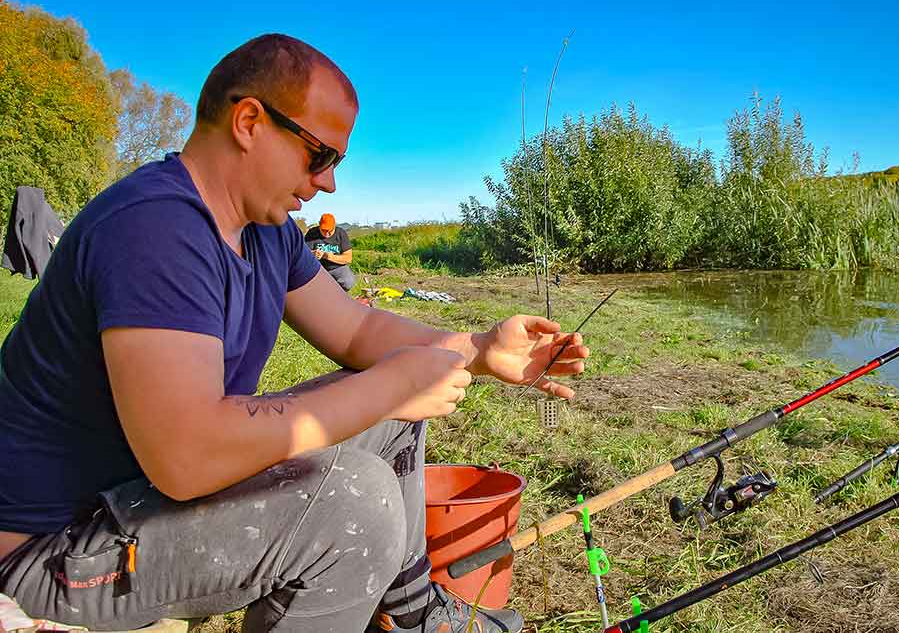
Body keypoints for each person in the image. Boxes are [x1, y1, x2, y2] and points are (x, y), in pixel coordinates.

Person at [0, 34, 589, 633]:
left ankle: (409, 614)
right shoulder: (156, 229)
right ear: (250, 121)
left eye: (339, 162)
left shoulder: (267, 229)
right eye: (319, 155)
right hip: (51, 549)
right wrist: (390, 386)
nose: (329, 182)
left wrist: (479, 349)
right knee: (354, 500)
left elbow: (357, 328)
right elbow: (187, 458)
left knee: (391, 417)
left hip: (141, 499)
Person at [305, 212, 356, 291]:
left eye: (330, 230)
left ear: (334, 226)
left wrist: (329, 257)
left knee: (348, 281)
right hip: (317, 269)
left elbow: (348, 258)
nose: (327, 234)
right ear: (319, 225)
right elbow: (303, 255)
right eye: (324, 230)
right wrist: (313, 254)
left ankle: (337, 294)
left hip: (337, 268)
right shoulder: (312, 233)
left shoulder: (341, 233)